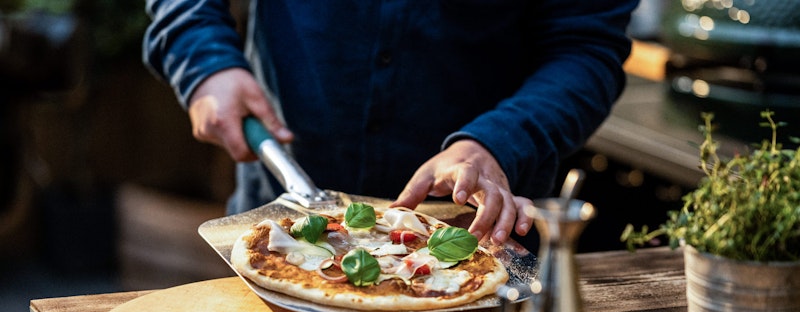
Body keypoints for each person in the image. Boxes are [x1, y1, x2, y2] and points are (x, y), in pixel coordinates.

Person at [143, 1, 637, 249]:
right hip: (283, 210)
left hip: (471, 231)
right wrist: (204, 59)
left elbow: (586, 48)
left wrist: (497, 142)